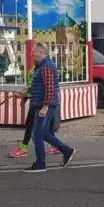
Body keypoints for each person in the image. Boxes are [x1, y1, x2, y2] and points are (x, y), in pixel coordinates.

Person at [17, 43, 76, 173]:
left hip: (44, 106)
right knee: (43, 133)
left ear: (42, 52)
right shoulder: (41, 66)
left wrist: (44, 107)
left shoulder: (46, 67)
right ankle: (66, 151)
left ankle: (40, 164)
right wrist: (26, 91)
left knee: (36, 134)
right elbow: (40, 86)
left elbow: (49, 89)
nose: (31, 54)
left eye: (34, 51)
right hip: (43, 104)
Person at [8, 66, 60, 158]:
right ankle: (56, 146)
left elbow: (45, 88)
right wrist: (25, 97)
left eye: (34, 53)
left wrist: (45, 105)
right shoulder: (34, 69)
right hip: (37, 101)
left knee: (31, 125)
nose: (32, 55)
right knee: (42, 126)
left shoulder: (45, 68)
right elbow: (32, 87)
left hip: (42, 102)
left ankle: (24, 149)